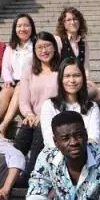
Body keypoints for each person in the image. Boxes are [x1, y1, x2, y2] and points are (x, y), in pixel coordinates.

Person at [14, 32, 60, 181]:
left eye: (47, 46)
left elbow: (62, 99)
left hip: (55, 116)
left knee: (40, 129)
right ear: (34, 50)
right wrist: (29, 114)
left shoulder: (61, 69)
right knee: (25, 132)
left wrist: (43, 116)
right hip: (33, 118)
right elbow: (23, 100)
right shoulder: (29, 69)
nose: (44, 51)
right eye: (39, 47)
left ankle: (30, 174)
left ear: (54, 47)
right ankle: (8, 172)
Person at [40, 58, 100, 147]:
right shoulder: (49, 105)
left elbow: (94, 138)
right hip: (57, 153)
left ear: (83, 78)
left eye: (76, 75)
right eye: (67, 76)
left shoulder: (92, 107)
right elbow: (49, 139)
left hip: (85, 152)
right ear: (60, 79)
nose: (72, 80)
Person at [0, 13, 36, 135]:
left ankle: (3, 126)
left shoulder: (36, 46)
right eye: (19, 26)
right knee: (6, 91)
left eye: (26, 25)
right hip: (13, 82)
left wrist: (24, 81)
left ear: (32, 28)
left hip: (30, 83)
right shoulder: (10, 47)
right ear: (15, 29)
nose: (22, 29)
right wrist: (7, 79)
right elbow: (5, 67)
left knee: (20, 87)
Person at [55, 6, 100, 101]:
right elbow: (55, 66)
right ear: (63, 24)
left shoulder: (84, 44)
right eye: (68, 20)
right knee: (94, 92)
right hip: (64, 82)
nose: (72, 22)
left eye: (75, 19)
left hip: (78, 82)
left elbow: (85, 69)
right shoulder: (58, 40)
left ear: (80, 21)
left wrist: (88, 81)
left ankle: (77, 104)